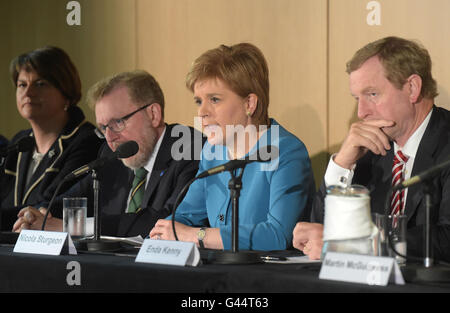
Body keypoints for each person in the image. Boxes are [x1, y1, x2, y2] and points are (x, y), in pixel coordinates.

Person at [293, 36, 450, 262]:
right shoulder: (371, 149)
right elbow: (321, 231)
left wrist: (357, 245)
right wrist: (342, 165)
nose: (361, 112)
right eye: (357, 98)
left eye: (372, 94)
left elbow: (446, 238)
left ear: (412, 88)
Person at [150, 43, 315, 251]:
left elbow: (278, 235)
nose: (202, 112)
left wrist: (197, 235)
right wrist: (165, 232)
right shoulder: (211, 152)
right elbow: (185, 216)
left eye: (215, 100)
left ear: (249, 104)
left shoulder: (285, 151)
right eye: (199, 101)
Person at [13, 70, 203, 238]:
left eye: (118, 122)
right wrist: (35, 217)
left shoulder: (188, 146)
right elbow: (69, 200)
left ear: (153, 114)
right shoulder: (113, 155)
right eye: (103, 128)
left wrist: (73, 227)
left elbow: (170, 220)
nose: (110, 137)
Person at [0, 46, 103, 230]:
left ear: (66, 92)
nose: (28, 92)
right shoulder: (19, 143)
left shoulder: (86, 141)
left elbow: (49, 207)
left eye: (40, 84)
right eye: (22, 84)